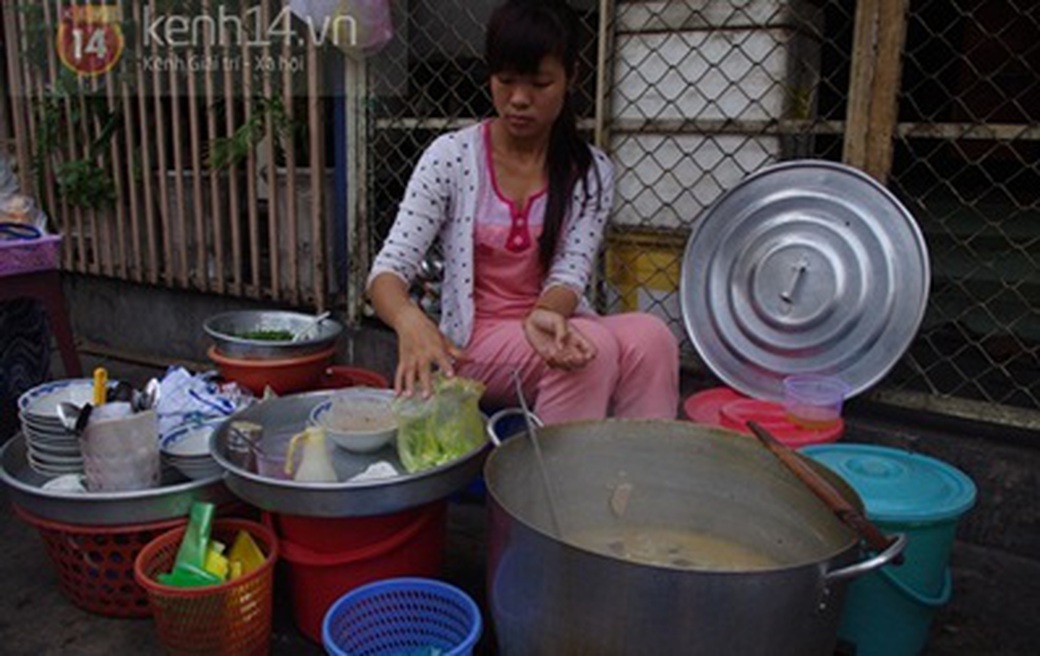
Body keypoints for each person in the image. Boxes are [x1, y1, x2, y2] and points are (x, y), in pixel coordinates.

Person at [367, 0, 679, 423]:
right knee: (593, 349)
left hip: (552, 320)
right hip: (474, 343)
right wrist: (410, 321)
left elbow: (570, 273)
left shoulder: (589, 171)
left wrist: (546, 314)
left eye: (539, 83)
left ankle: (642, 473)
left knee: (654, 337)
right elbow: (387, 271)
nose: (518, 99)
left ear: (571, 78)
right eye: (506, 80)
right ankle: (552, 485)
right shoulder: (452, 158)